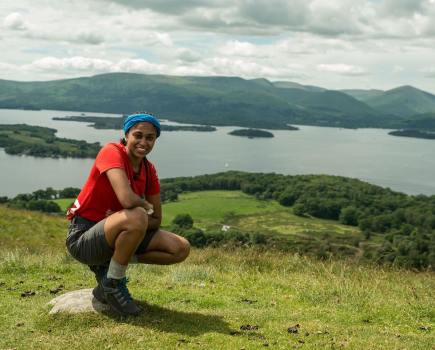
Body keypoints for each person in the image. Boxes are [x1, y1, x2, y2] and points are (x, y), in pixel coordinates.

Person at [65, 113, 190, 316]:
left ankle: (108, 276)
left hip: (117, 234)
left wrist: (125, 216)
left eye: (150, 138)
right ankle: (114, 283)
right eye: (138, 135)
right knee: (138, 215)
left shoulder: (149, 170)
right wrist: (140, 208)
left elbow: (157, 219)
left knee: (180, 248)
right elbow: (127, 199)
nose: (143, 142)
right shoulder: (111, 151)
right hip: (83, 238)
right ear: (126, 135)